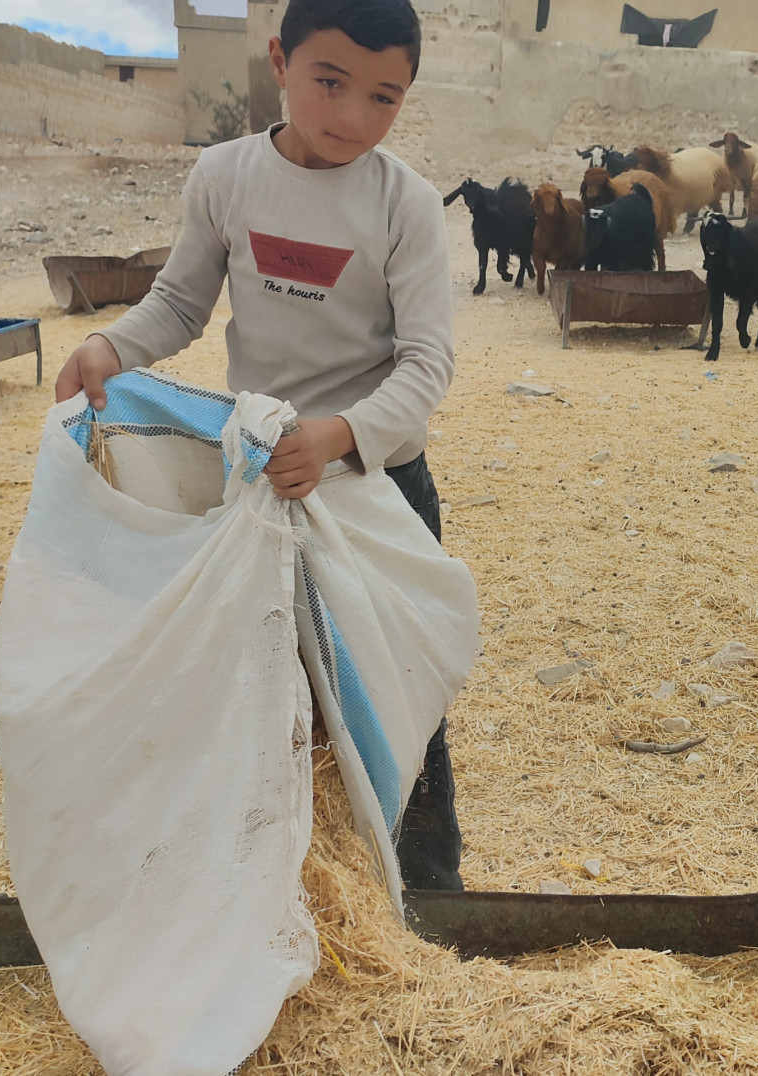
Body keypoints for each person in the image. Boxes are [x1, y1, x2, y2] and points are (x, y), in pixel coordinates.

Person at [52, 0, 463, 892]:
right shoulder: (227, 176)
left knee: (394, 694)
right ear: (280, 60)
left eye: (384, 98)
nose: (353, 117)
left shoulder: (407, 204)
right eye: (329, 82)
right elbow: (180, 304)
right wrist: (109, 349)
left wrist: (342, 436)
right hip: (261, 486)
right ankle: (263, 888)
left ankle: (427, 896)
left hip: (376, 488)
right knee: (261, 686)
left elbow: (428, 362)